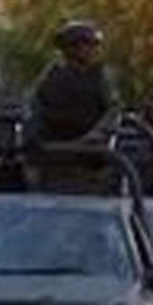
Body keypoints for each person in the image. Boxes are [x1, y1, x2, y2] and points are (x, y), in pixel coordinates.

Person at [27, 21, 119, 193]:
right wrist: (36, 143)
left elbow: (112, 112)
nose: (92, 50)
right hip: (54, 156)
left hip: (90, 159)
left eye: (94, 45)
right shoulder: (52, 77)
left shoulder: (100, 78)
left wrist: (95, 135)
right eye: (87, 45)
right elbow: (35, 109)